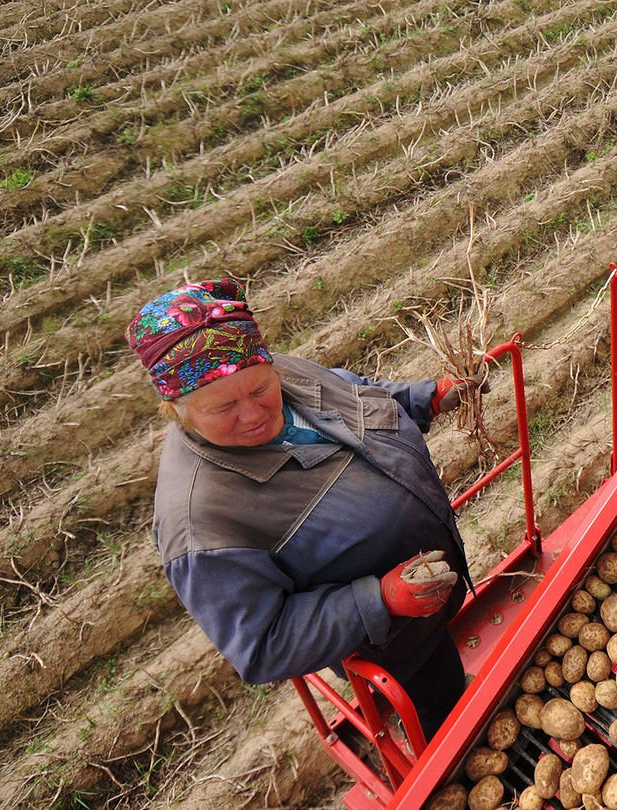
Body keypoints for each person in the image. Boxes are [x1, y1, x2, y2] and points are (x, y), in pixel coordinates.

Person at [126, 277, 478, 735]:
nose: (252, 414)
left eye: (259, 390)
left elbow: (357, 396)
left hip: (431, 593)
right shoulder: (198, 522)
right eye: (223, 408)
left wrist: (420, 398)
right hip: (392, 640)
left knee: (443, 663)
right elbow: (262, 643)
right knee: (439, 698)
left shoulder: (287, 374)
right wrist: (379, 601)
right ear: (177, 410)